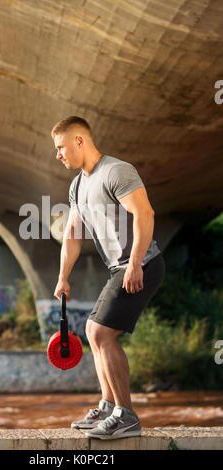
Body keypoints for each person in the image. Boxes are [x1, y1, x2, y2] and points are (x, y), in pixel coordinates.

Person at [51, 116, 166, 440]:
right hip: (119, 267)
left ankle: (126, 415)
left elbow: (145, 213)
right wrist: (63, 277)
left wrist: (135, 264)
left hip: (143, 264)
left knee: (102, 333)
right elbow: (73, 235)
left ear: (79, 141)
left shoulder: (117, 171)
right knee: (92, 330)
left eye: (61, 147)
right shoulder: (78, 185)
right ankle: (108, 405)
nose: (58, 155)